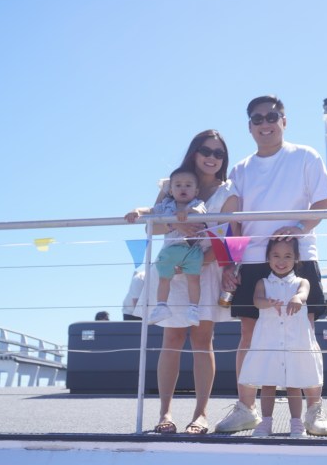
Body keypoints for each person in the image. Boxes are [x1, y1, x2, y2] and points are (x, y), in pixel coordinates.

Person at [215, 95, 327, 436]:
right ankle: (246, 408)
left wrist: (299, 229)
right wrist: (231, 262)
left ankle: (314, 411)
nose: (265, 123)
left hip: (299, 256)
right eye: (257, 118)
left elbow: (325, 202)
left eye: (272, 116)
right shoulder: (240, 168)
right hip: (253, 259)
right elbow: (233, 220)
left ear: (285, 120)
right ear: (249, 126)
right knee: (249, 337)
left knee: (304, 337)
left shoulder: (306, 156)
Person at [130, 129, 239, 435]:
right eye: (207, 151)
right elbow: (153, 228)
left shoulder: (228, 195)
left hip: (204, 269)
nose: (212, 158)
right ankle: (165, 413)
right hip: (169, 271)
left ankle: (201, 414)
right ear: (195, 152)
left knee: (203, 341)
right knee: (172, 340)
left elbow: (227, 240)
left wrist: (195, 260)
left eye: (219, 154)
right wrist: (177, 222)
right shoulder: (170, 186)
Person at [239, 238, 323, 438]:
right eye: (276, 255)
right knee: (268, 383)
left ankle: (296, 423)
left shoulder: (302, 281)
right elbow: (256, 301)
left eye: (288, 256)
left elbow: (303, 294)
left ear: (296, 259)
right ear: (268, 258)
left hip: (294, 341)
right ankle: (265, 422)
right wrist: (267, 302)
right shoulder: (263, 282)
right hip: (269, 340)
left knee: (294, 383)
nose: (281, 260)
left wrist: (297, 298)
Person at [126, 167, 207, 326]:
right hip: (170, 250)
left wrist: (189, 211)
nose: (183, 188)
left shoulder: (196, 203)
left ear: (196, 191)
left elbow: (200, 211)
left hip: (191, 249)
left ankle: (193, 308)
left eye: (188, 185)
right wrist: (136, 211)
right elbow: (150, 210)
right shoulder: (166, 205)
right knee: (164, 278)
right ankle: (161, 305)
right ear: (170, 190)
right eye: (178, 185)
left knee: (194, 279)